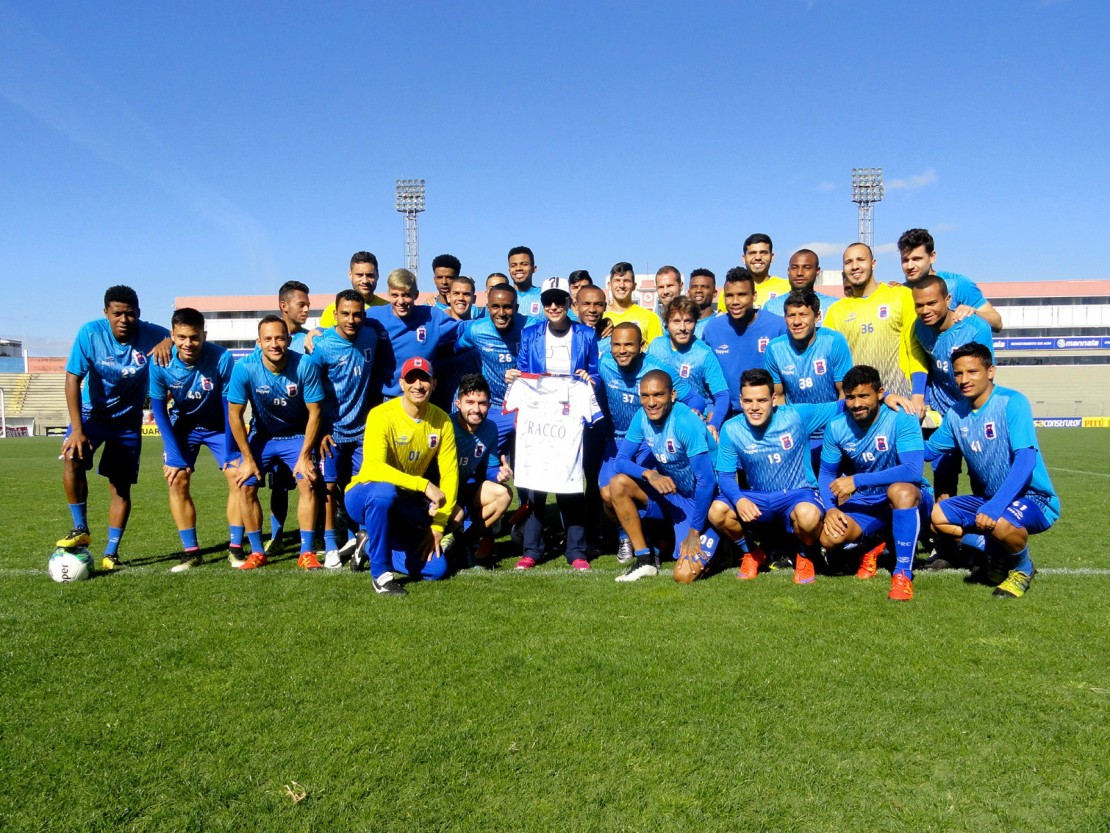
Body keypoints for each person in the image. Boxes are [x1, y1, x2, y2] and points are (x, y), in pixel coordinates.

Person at [925, 343, 1060, 598]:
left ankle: (1022, 568)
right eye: (958, 373)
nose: (964, 380)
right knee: (935, 517)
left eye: (972, 372)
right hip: (990, 500)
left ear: (990, 371)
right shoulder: (956, 414)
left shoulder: (1012, 402)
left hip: (1033, 498)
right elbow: (931, 450)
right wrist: (895, 437)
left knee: (1000, 523)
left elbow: (1025, 461)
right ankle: (996, 552)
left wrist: (995, 506)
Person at [57, 286, 171, 570]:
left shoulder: (154, 334)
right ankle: (80, 529)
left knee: (120, 488)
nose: (123, 319)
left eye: (130, 314)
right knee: (72, 458)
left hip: (127, 422)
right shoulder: (90, 333)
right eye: (117, 313)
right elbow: (72, 380)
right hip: (90, 415)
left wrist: (169, 341)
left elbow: (179, 339)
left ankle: (111, 554)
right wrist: (77, 430)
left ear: (138, 314)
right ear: (106, 313)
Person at [708, 369, 839, 585]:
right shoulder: (731, 429)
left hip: (798, 494)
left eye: (761, 400)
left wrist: (888, 396)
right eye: (748, 401)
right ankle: (751, 553)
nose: (755, 407)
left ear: (774, 399)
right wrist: (739, 499)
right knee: (717, 511)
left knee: (808, 516)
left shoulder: (796, 416)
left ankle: (805, 556)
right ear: (740, 400)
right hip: (758, 499)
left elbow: (844, 405)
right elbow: (725, 476)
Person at [507, 277, 602, 570]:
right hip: (538, 417)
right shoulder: (531, 333)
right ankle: (532, 550)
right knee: (535, 485)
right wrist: (515, 377)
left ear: (569, 303)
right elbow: (523, 371)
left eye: (560, 300)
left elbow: (596, 373)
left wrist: (590, 380)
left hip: (570, 418)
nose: (554, 306)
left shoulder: (586, 334)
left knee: (570, 482)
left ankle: (576, 550)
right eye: (549, 300)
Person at [818, 365, 933, 601]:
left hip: (910, 497)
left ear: (880, 393)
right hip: (868, 500)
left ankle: (902, 573)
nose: (856, 404)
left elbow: (912, 470)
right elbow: (827, 474)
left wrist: (857, 480)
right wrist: (829, 509)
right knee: (830, 538)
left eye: (863, 396)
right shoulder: (836, 426)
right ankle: (875, 543)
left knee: (899, 491)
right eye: (850, 397)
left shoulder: (902, 417)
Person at [345, 357, 458, 595]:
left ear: (434, 383)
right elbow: (374, 467)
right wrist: (423, 484)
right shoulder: (381, 414)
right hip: (363, 495)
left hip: (404, 502)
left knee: (437, 569)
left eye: (424, 379)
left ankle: (369, 545)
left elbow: (450, 474)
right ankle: (381, 576)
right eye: (411, 379)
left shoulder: (442, 420)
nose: (418, 385)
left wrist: (438, 525)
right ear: (402, 384)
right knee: (384, 492)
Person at [226, 315, 324, 570]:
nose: (274, 344)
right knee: (245, 484)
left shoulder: (304, 365)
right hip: (263, 437)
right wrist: (247, 459)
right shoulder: (245, 368)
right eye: (267, 339)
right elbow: (234, 415)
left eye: (280, 338)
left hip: (296, 436)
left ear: (289, 340)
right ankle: (258, 551)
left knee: (307, 482)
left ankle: (306, 551)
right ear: (258, 342)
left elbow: (315, 412)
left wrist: (304, 456)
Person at [148, 307, 240, 571]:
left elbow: (228, 407)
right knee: (177, 478)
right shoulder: (160, 361)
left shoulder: (222, 358)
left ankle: (234, 548)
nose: (188, 343)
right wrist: (173, 452)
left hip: (218, 426)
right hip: (183, 426)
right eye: (182, 337)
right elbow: (158, 409)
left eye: (195, 337)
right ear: (173, 337)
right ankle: (191, 552)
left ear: (204, 334)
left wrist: (232, 450)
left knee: (238, 477)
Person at [609, 370, 721, 583]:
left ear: (672, 395)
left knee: (683, 576)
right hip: (675, 495)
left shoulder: (686, 422)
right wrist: (650, 474)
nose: (651, 402)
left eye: (658, 395)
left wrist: (695, 531)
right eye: (645, 396)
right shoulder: (641, 416)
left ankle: (721, 544)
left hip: (704, 502)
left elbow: (707, 482)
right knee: (618, 484)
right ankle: (644, 560)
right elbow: (620, 460)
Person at [597, 322, 696, 561]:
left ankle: (653, 539)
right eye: (616, 345)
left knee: (637, 490)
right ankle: (626, 535)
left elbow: (693, 397)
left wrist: (696, 420)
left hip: (648, 441)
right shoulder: (604, 364)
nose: (622, 350)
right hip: (614, 440)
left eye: (629, 344)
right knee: (607, 495)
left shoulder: (656, 369)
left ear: (642, 346)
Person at [311, 289, 380, 568]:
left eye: (357, 314)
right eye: (345, 314)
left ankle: (358, 538)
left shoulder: (371, 337)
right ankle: (329, 544)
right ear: (335, 314)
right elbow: (310, 391)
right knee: (328, 487)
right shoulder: (321, 346)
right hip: (331, 433)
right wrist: (320, 430)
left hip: (362, 430)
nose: (351, 319)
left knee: (359, 485)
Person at [823, 243, 929, 411]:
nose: (855, 266)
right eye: (848, 262)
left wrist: (918, 395)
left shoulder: (901, 295)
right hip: (860, 406)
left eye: (861, 260)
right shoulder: (836, 311)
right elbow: (834, 365)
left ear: (873, 263)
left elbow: (915, 349)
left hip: (902, 400)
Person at [764, 290, 853, 466]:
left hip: (833, 430)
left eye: (803, 315)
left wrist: (835, 432)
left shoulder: (833, 341)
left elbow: (844, 392)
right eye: (791, 315)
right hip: (798, 433)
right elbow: (778, 397)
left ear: (817, 316)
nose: (797, 321)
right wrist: (788, 433)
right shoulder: (775, 348)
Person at [455, 284, 527, 475]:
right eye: (495, 306)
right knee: (485, 463)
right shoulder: (477, 331)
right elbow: (454, 351)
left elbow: (564, 323)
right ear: (488, 308)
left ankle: (529, 505)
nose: (501, 313)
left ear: (517, 308)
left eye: (508, 307)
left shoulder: (531, 327)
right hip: (494, 408)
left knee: (529, 464)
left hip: (527, 408)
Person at [446, 374, 513, 567]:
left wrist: (499, 474)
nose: (476, 409)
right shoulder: (445, 425)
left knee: (504, 495)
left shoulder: (490, 428)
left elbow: (489, 469)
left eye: (482, 403)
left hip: (465, 489)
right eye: (470, 402)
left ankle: (465, 543)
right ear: (458, 403)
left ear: (489, 405)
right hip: (441, 492)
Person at [366, 268, 462, 403]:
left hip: (420, 395)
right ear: (388, 294)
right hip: (383, 399)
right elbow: (345, 328)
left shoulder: (432, 316)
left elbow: (464, 329)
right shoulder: (373, 316)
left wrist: (488, 324)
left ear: (416, 295)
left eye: (406, 295)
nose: (400, 301)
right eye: (395, 295)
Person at [702, 267, 787, 416]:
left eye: (742, 295)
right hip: (725, 416)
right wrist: (711, 410)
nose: (735, 301)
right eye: (729, 296)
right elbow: (706, 375)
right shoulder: (713, 329)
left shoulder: (777, 326)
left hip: (769, 415)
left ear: (754, 296)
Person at [646, 296, 730, 436]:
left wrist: (713, 425)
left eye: (688, 321)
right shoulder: (656, 346)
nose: (683, 328)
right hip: (658, 425)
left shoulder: (704, 353)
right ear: (667, 323)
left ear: (695, 323)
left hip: (692, 425)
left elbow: (722, 394)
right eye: (676, 321)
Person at [898, 228, 1003, 333]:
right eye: (905, 260)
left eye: (917, 259)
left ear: (932, 257)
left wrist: (973, 313)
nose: (910, 266)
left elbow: (997, 323)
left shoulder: (958, 283)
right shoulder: (900, 292)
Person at [717, 233, 790, 312]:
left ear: (772, 257)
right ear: (744, 258)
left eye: (763, 253)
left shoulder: (788, 287)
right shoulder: (729, 291)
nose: (758, 257)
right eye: (752, 253)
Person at [761, 250, 839, 323]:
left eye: (806, 267)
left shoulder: (833, 305)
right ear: (788, 271)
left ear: (817, 271)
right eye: (794, 268)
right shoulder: (771, 307)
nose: (799, 273)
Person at [318, 251, 387, 327]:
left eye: (369, 275)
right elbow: (322, 336)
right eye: (359, 275)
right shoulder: (333, 310)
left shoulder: (389, 309)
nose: (365, 280)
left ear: (377, 275)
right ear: (350, 274)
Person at [606, 261, 664, 345]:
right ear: (609, 285)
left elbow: (658, 352)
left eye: (626, 281)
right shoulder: (601, 319)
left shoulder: (650, 317)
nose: (621, 285)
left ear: (634, 286)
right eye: (617, 280)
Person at [574, 284, 612, 357]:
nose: (592, 310)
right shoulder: (567, 333)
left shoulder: (612, 341)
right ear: (576, 305)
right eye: (586, 304)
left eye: (598, 304)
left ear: (605, 307)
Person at [508, 246, 544, 318]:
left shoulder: (544, 295)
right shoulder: (503, 297)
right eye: (513, 265)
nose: (518, 268)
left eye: (524, 264)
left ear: (534, 268)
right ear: (509, 270)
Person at [278, 280, 312, 353]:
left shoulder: (311, 339)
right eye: (301, 305)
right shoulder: (268, 340)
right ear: (284, 306)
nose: (306, 309)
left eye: (308, 306)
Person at [686, 268, 718, 338]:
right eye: (694, 287)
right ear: (688, 292)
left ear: (714, 293)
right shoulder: (680, 324)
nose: (698, 290)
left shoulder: (719, 323)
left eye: (704, 287)